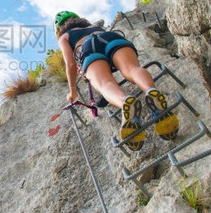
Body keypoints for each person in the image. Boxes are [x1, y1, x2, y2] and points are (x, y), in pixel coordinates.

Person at [55, 10, 179, 149]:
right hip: (111, 37)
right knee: (132, 69)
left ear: (59, 28)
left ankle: (125, 102)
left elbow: (70, 64)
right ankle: (151, 90)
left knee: (105, 83)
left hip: (88, 47)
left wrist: (72, 91)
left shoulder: (64, 37)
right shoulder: (93, 26)